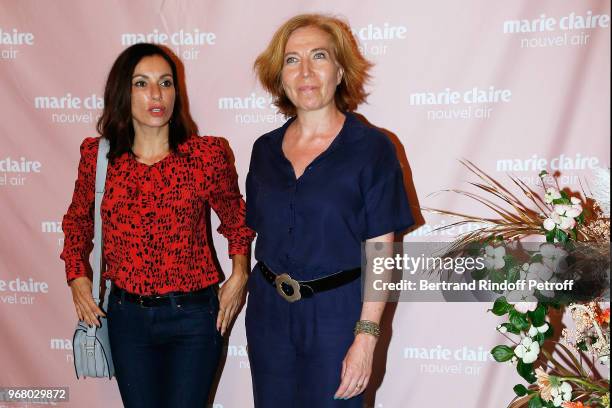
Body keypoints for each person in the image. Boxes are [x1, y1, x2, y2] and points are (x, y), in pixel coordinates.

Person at [60, 43, 254, 408]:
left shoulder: (205, 155)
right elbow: (76, 222)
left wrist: (240, 274)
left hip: (195, 318)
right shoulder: (98, 157)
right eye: (141, 83)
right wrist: (77, 276)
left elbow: (235, 219)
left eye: (165, 83)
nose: (156, 94)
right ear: (123, 92)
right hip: (126, 318)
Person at [246, 13, 414, 407]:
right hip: (269, 312)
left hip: (338, 315)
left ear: (339, 70)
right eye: (291, 59)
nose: (305, 70)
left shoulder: (373, 148)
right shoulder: (264, 150)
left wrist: (366, 336)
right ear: (280, 76)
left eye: (318, 56)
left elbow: (382, 250)